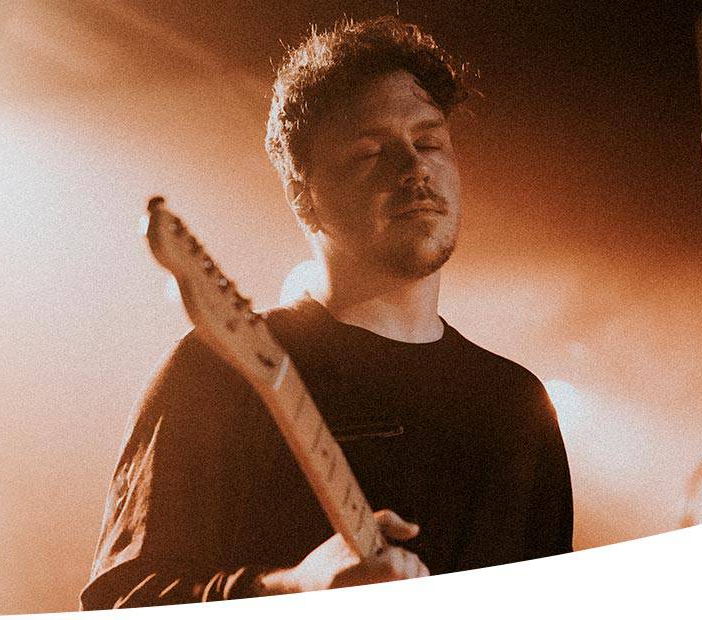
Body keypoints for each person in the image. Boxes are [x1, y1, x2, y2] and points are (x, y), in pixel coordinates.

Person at [80, 16, 573, 610]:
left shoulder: (515, 403)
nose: (413, 168)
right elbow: (122, 598)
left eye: (430, 142)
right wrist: (290, 587)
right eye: (371, 151)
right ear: (302, 193)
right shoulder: (223, 367)